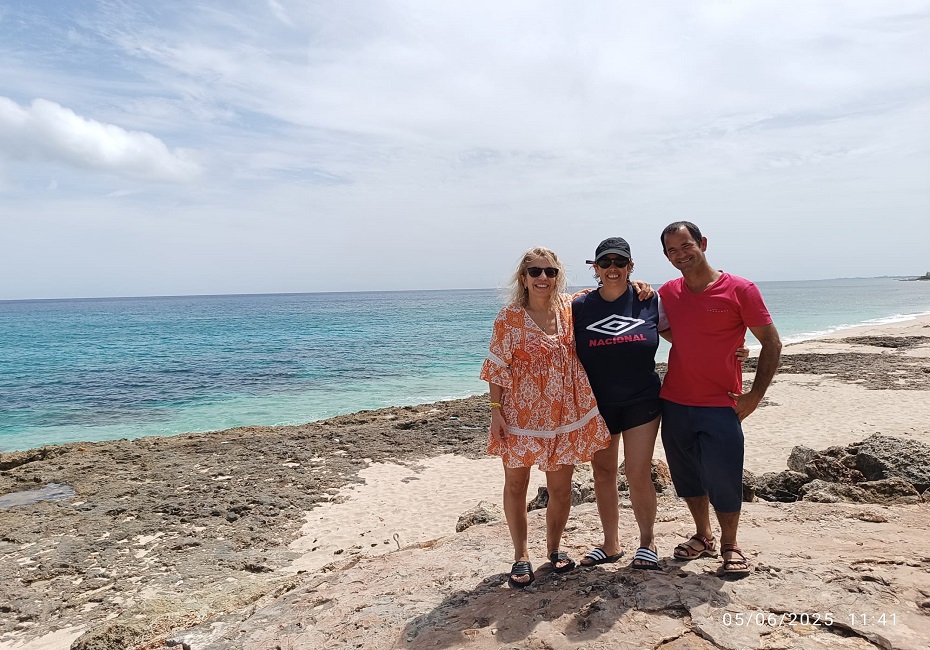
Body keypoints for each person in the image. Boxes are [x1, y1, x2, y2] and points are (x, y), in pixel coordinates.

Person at [480, 246, 611, 588]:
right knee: (516, 484)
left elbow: (609, 290)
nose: (543, 277)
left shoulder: (569, 308)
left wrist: (640, 285)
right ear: (523, 278)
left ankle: (554, 549)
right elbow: (497, 367)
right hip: (519, 415)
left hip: (563, 415)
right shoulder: (508, 318)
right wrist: (495, 413)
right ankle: (521, 555)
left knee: (561, 489)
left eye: (550, 272)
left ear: (557, 277)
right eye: (535, 271)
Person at [658, 221, 782, 576]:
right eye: (672, 250)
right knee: (687, 477)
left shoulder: (741, 289)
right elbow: (665, 327)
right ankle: (703, 535)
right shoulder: (668, 292)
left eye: (686, 245)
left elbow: (772, 343)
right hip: (675, 401)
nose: (681, 254)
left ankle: (730, 544)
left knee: (724, 477)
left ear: (703, 243)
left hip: (721, 404)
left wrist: (754, 395)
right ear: (667, 256)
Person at [571, 237, 667, 570]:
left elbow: (685, 336)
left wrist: (732, 350)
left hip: (642, 400)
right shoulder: (579, 307)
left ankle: (647, 542)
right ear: (596, 268)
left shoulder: (649, 301)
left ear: (631, 266)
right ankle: (610, 544)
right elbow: (544, 324)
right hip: (597, 405)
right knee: (602, 473)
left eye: (620, 262)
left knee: (638, 473)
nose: (613, 268)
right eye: (606, 263)